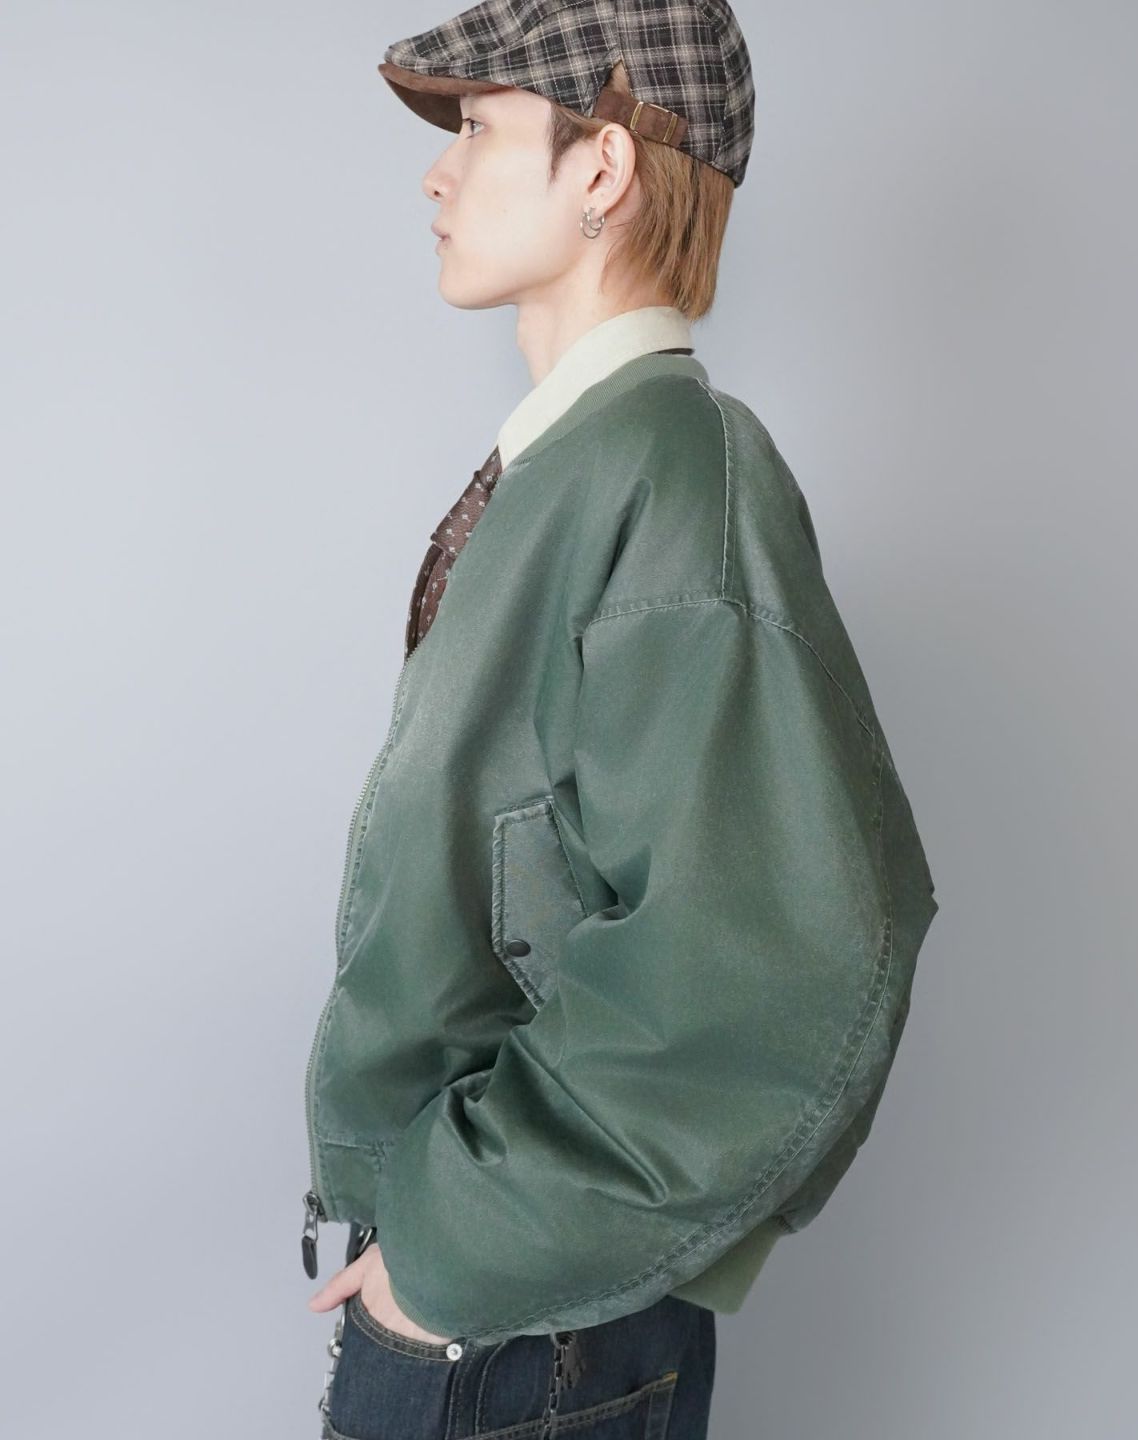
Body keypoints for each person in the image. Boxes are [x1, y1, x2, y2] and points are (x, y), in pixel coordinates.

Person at [302, 4, 939, 1437]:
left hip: (522, 1325)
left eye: (478, 128)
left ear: (601, 168)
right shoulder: (581, 466)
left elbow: (776, 958)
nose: (437, 171)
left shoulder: (675, 471)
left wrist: (449, 1248)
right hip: (496, 1312)